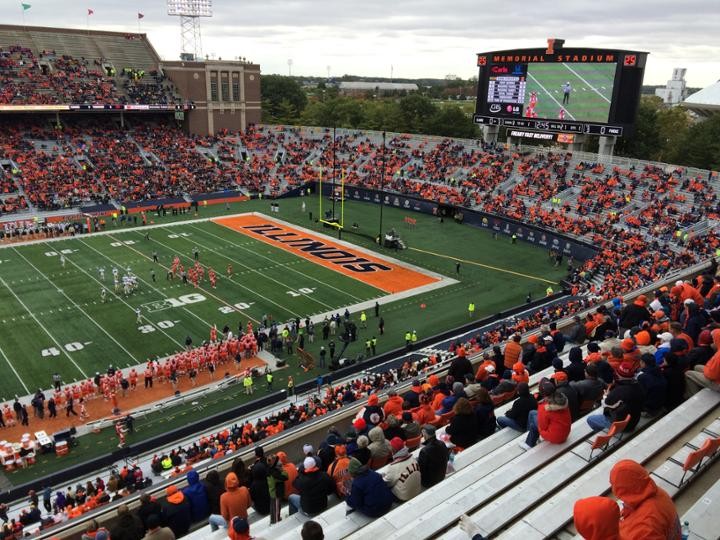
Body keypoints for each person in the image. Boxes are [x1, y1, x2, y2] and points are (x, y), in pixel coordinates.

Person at [609, 460, 681, 539]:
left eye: (613, 484)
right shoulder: (656, 492)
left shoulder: (643, 527)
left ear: (622, 490)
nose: (613, 489)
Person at [587, 362, 645, 433]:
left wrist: (606, 395)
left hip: (623, 425)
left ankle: (603, 432)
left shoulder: (620, 391)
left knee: (590, 419)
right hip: (634, 419)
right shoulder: (638, 385)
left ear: (619, 375)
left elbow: (605, 404)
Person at [521, 380, 571, 449]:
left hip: (556, 437)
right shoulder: (562, 399)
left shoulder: (543, 407)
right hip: (565, 432)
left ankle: (528, 444)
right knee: (532, 412)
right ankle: (529, 433)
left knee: (533, 425)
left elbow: (542, 427)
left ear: (542, 393)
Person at [383, 437, 421, 501]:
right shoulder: (412, 458)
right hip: (417, 490)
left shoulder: (393, 467)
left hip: (403, 496)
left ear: (393, 450)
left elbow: (387, 484)